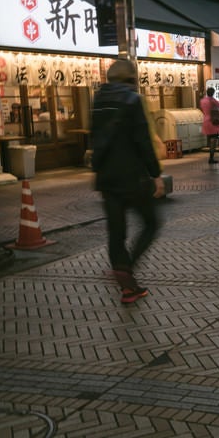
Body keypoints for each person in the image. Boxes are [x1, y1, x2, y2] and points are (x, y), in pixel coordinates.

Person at [90, 59, 165, 305]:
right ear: (131, 78)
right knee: (151, 223)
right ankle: (127, 267)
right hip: (132, 177)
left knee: (116, 231)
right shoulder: (133, 101)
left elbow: (94, 139)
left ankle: (127, 286)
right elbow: (143, 141)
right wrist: (155, 174)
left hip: (106, 178)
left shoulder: (98, 101)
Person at [199, 87, 219, 164]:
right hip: (213, 121)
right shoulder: (212, 100)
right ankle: (211, 158)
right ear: (212, 93)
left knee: (210, 140)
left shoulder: (202, 100)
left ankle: (211, 157)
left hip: (205, 121)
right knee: (214, 140)